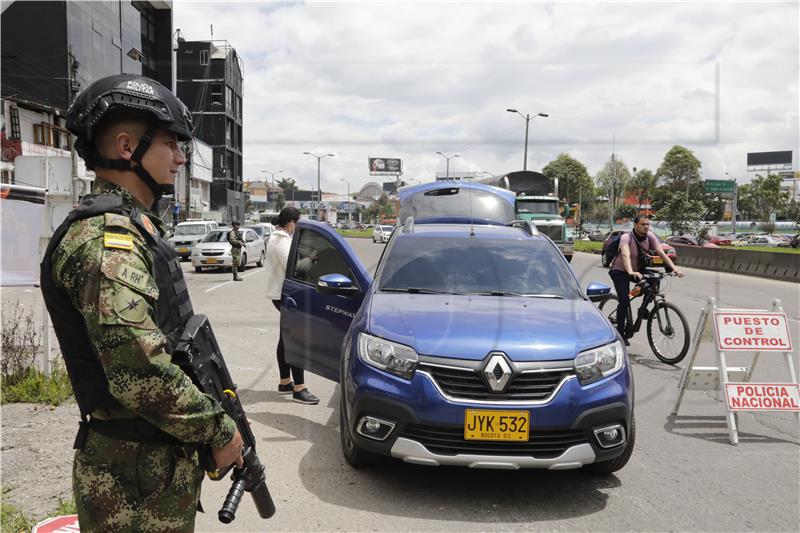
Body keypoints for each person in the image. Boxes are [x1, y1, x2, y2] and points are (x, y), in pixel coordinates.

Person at [40, 74, 243, 532]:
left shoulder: (133, 230)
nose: (181, 157)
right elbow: (139, 370)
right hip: (131, 485)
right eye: (171, 143)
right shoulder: (106, 242)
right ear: (128, 147)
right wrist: (217, 428)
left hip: (148, 473)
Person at [264, 207, 319, 405]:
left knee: (285, 338)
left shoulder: (279, 238)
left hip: (283, 294)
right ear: (292, 223)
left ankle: (285, 381)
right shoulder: (282, 240)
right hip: (286, 295)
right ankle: (299, 388)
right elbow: (294, 268)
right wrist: (311, 259)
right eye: (298, 223)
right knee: (296, 339)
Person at [608, 215, 684, 344]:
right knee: (624, 301)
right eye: (643, 224)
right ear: (635, 225)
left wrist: (674, 268)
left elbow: (661, 253)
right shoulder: (626, 237)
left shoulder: (650, 236)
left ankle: (642, 309)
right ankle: (621, 335)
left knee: (655, 280)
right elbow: (625, 254)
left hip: (638, 269)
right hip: (620, 271)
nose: (646, 227)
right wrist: (630, 271)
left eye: (648, 224)